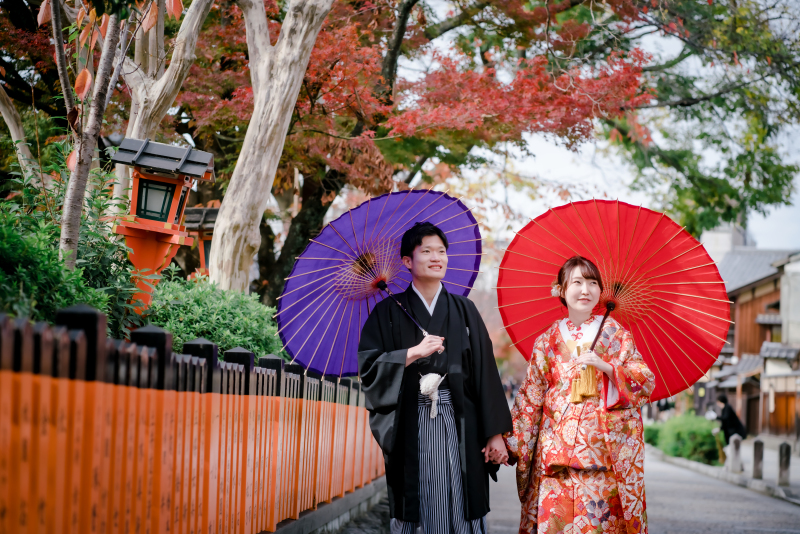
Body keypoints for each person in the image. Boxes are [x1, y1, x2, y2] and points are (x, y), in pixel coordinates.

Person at [358, 222, 512, 534]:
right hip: (411, 422)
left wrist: (495, 433)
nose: (436, 257)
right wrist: (409, 354)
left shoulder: (465, 310)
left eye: (441, 251)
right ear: (407, 261)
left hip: (461, 422)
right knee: (419, 498)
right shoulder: (388, 311)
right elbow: (370, 367)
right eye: (426, 251)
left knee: (463, 494)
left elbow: (485, 374)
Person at [505, 256, 656, 534]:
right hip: (555, 455)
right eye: (576, 282)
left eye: (592, 283)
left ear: (600, 291)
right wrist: (509, 443)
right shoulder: (547, 340)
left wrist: (608, 367)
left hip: (602, 455)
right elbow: (529, 400)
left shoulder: (616, 334)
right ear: (561, 290)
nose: (585, 290)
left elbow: (645, 381)